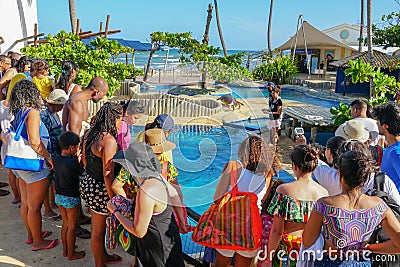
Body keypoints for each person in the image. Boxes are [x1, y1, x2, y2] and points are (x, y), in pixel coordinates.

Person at [303, 151, 400, 266]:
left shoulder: (324, 205)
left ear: (339, 174)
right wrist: (369, 248)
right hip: (362, 262)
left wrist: (326, 245)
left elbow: (308, 241)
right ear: (365, 176)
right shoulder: (379, 206)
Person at [108, 142, 185, 267]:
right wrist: (181, 221)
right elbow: (175, 195)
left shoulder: (146, 190)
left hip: (157, 250)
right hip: (168, 242)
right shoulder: (158, 177)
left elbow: (139, 231)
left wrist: (114, 211)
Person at [8, 79, 58, 251]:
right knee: (35, 207)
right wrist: (49, 157)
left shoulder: (17, 110)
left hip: (18, 164)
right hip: (33, 165)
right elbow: (36, 142)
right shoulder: (32, 112)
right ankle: (38, 242)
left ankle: (32, 235)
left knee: (26, 203)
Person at [213, 135, 274, 267]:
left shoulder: (233, 167)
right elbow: (263, 200)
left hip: (228, 225)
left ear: (242, 151)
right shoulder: (268, 173)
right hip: (252, 227)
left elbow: (217, 198)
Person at [265, 145, 328, 266]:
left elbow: (277, 230)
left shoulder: (284, 190)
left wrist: (267, 258)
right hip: (310, 249)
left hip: (287, 249)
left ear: (294, 165)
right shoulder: (323, 193)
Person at [79, 102, 123, 267]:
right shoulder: (109, 140)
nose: (121, 124)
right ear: (115, 118)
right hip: (100, 189)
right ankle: (99, 264)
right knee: (98, 231)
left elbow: (84, 159)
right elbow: (107, 174)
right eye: (121, 119)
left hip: (88, 182)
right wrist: (114, 200)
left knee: (98, 227)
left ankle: (103, 256)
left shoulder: (91, 132)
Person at [54, 131, 85, 260]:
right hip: (71, 198)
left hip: (59, 196)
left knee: (65, 224)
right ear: (72, 147)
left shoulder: (56, 159)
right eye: (77, 147)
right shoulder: (73, 163)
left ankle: (66, 250)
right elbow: (82, 173)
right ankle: (71, 254)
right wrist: (79, 160)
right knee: (72, 226)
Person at [40, 89, 69, 220]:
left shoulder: (50, 112)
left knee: (51, 181)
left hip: (52, 152)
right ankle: (47, 209)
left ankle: (51, 204)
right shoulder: (45, 114)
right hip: (49, 153)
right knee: (46, 182)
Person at [373, 102, 400, 191]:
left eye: (378, 120)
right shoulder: (392, 148)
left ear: (385, 126)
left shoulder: (395, 153)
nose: (376, 123)